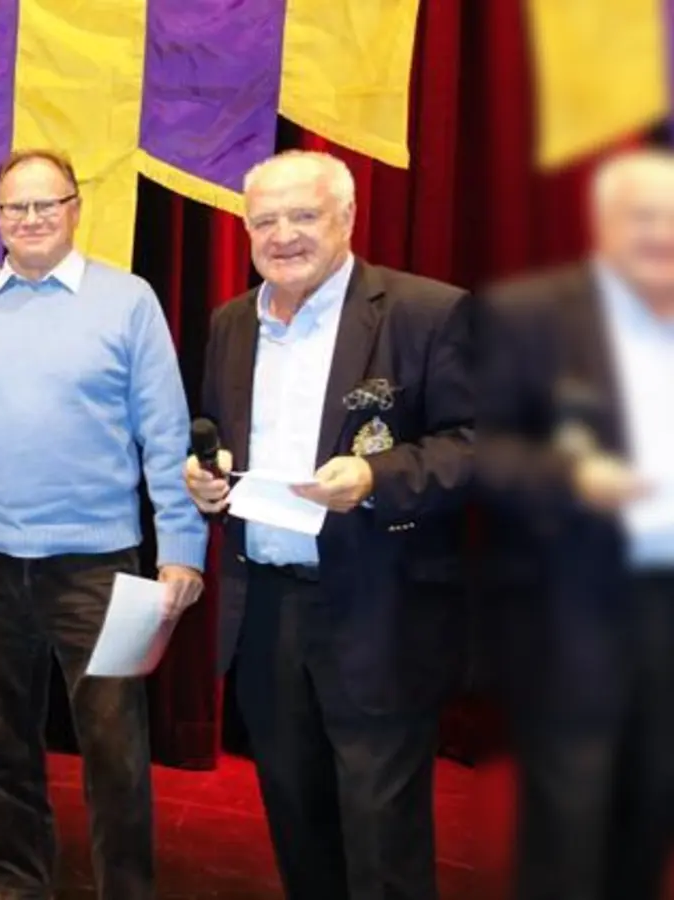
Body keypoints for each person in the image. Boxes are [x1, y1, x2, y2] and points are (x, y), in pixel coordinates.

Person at [184, 150, 472, 900]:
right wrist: (206, 482)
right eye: (264, 220)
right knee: (296, 817)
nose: (282, 236)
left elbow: (480, 444)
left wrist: (378, 477)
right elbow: (222, 439)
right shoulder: (231, 322)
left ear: (347, 217)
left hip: (377, 607)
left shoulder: (427, 312)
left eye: (303, 216)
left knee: (382, 830)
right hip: (268, 609)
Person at [0, 148, 206, 900]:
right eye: (14, 208)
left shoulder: (129, 301)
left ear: (74, 208)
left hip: (102, 569)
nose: (29, 219)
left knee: (116, 749)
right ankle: (20, 885)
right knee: (7, 744)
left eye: (44, 204)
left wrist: (182, 547)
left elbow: (166, 434)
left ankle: (127, 889)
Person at [477, 148, 674, 900]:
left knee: (654, 807)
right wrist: (572, 478)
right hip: (575, 605)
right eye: (642, 217)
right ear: (603, 225)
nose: (660, 234)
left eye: (671, 218)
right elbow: (481, 447)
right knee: (570, 817)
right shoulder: (532, 315)